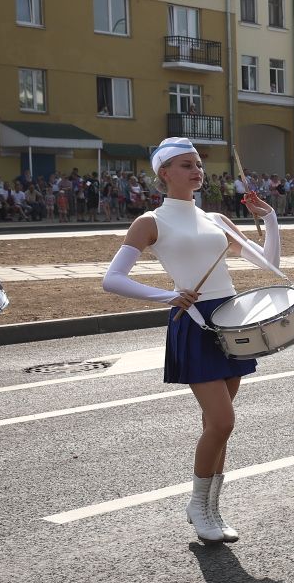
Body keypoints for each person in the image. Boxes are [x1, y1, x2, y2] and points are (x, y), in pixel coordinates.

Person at [101, 137, 282, 544]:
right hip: (195, 323)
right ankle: (198, 506)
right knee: (223, 421)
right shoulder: (150, 221)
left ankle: (212, 510)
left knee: (217, 426)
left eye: (197, 163)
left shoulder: (216, 219)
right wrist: (166, 295)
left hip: (231, 323)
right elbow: (111, 279)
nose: (196, 170)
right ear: (164, 173)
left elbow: (269, 264)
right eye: (185, 165)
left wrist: (269, 219)